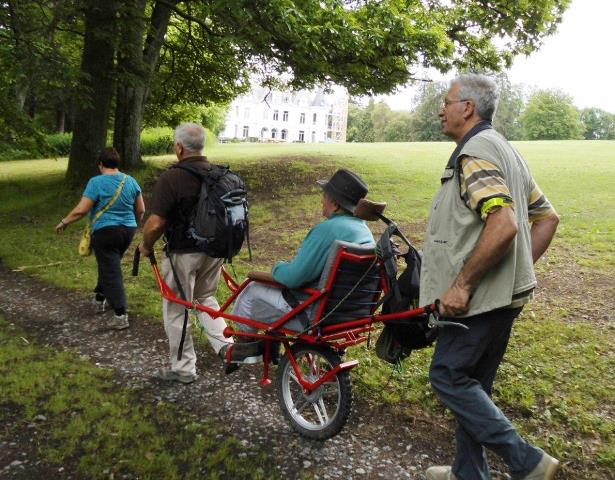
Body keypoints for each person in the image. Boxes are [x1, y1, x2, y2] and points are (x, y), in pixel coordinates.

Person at [419, 74, 561, 480]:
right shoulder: (506, 150)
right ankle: (468, 473)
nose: (440, 110)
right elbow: (547, 217)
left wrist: (463, 285)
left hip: (477, 302)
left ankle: (526, 461)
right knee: (474, 386)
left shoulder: (475, 152)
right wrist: (518, 272)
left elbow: (503, 223)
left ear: (468, 108)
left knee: (447, 375)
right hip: (503, 300)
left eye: (447, 102)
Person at [222, 168, 375, 369]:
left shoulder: (328, 230)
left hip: (315, 314)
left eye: (325, 196)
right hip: (350, 314)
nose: (322, 201)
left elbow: (294, 278)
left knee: (250, 290)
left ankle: (248, 345)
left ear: (336, 204)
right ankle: (271, 342)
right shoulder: (364, 232)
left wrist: (278, 267)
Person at [138, 122, 231, 385]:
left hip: (183, 253)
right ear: (201, 146)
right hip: (214, 251)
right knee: (205, 298)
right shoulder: (218, 174)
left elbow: (156, 223)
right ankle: (227, 347)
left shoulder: (173, 177)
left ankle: (184, 369)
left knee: (177, 308)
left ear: (179, 147)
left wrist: (146, 245)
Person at [56, 147, 145, 330]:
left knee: (111, 270)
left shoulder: (96, 182)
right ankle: (99, 298)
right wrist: (132, 224)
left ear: (100, 164)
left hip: (105, 232)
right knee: (109, 264)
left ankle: (121, 314)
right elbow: (142, 209)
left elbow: (82, 209)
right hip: (128, 231)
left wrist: (64, 221)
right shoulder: (131, 181)